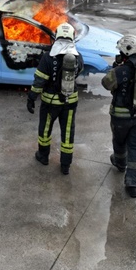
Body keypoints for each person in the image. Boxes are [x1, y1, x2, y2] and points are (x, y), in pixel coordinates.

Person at [101, 34, 136, 198]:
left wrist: (116, 68)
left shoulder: (121, 70)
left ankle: (120, 163)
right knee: (135, 147)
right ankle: (132, 183)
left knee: (119, 141)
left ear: (125, 52)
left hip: (120, 116)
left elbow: (105, 83)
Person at [27, 23, 84, 175]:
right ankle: (65, 165)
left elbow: (39, 80)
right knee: (67, 133)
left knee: (45, 130)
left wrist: (32, 97)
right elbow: (79, 71)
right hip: (70, 102)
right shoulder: (78, 57)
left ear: (56, 36)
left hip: (50, 103)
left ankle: (43, 156)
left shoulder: (48, 57)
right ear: (72, 37)